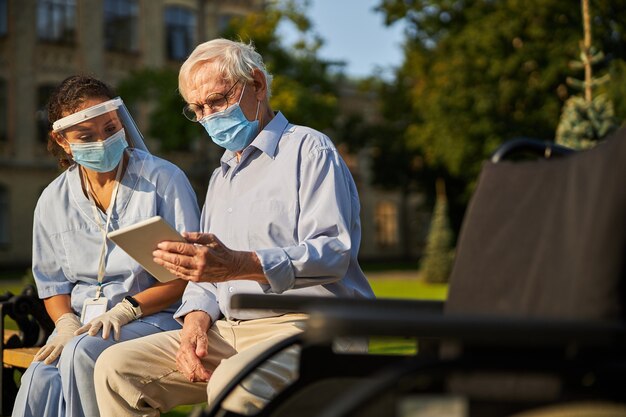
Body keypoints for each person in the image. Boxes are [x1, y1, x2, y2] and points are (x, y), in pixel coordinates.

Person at [93, 38, 374, 416]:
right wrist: (194, 320)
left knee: (233, 381)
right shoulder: (221, 176)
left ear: (257, 84)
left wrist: (242, 264)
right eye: (198, 109)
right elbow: (208, 279)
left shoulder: (309, 149)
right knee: (115, 370)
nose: (209, 116)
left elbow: (333, 252)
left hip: (313, 327)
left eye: (218, 100)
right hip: (230, 329)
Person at [12, 75, 200, 417]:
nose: (103, 141)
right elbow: (52, 283)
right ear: (63, 140)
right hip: (85, 324)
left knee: (82, 353)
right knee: (40, 376)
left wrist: (127, 309)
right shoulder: (53, 199)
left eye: (111, 128)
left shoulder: (163, 180)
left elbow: (186, 275)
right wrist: (66, 322)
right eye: (86, 136)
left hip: (157, 318)